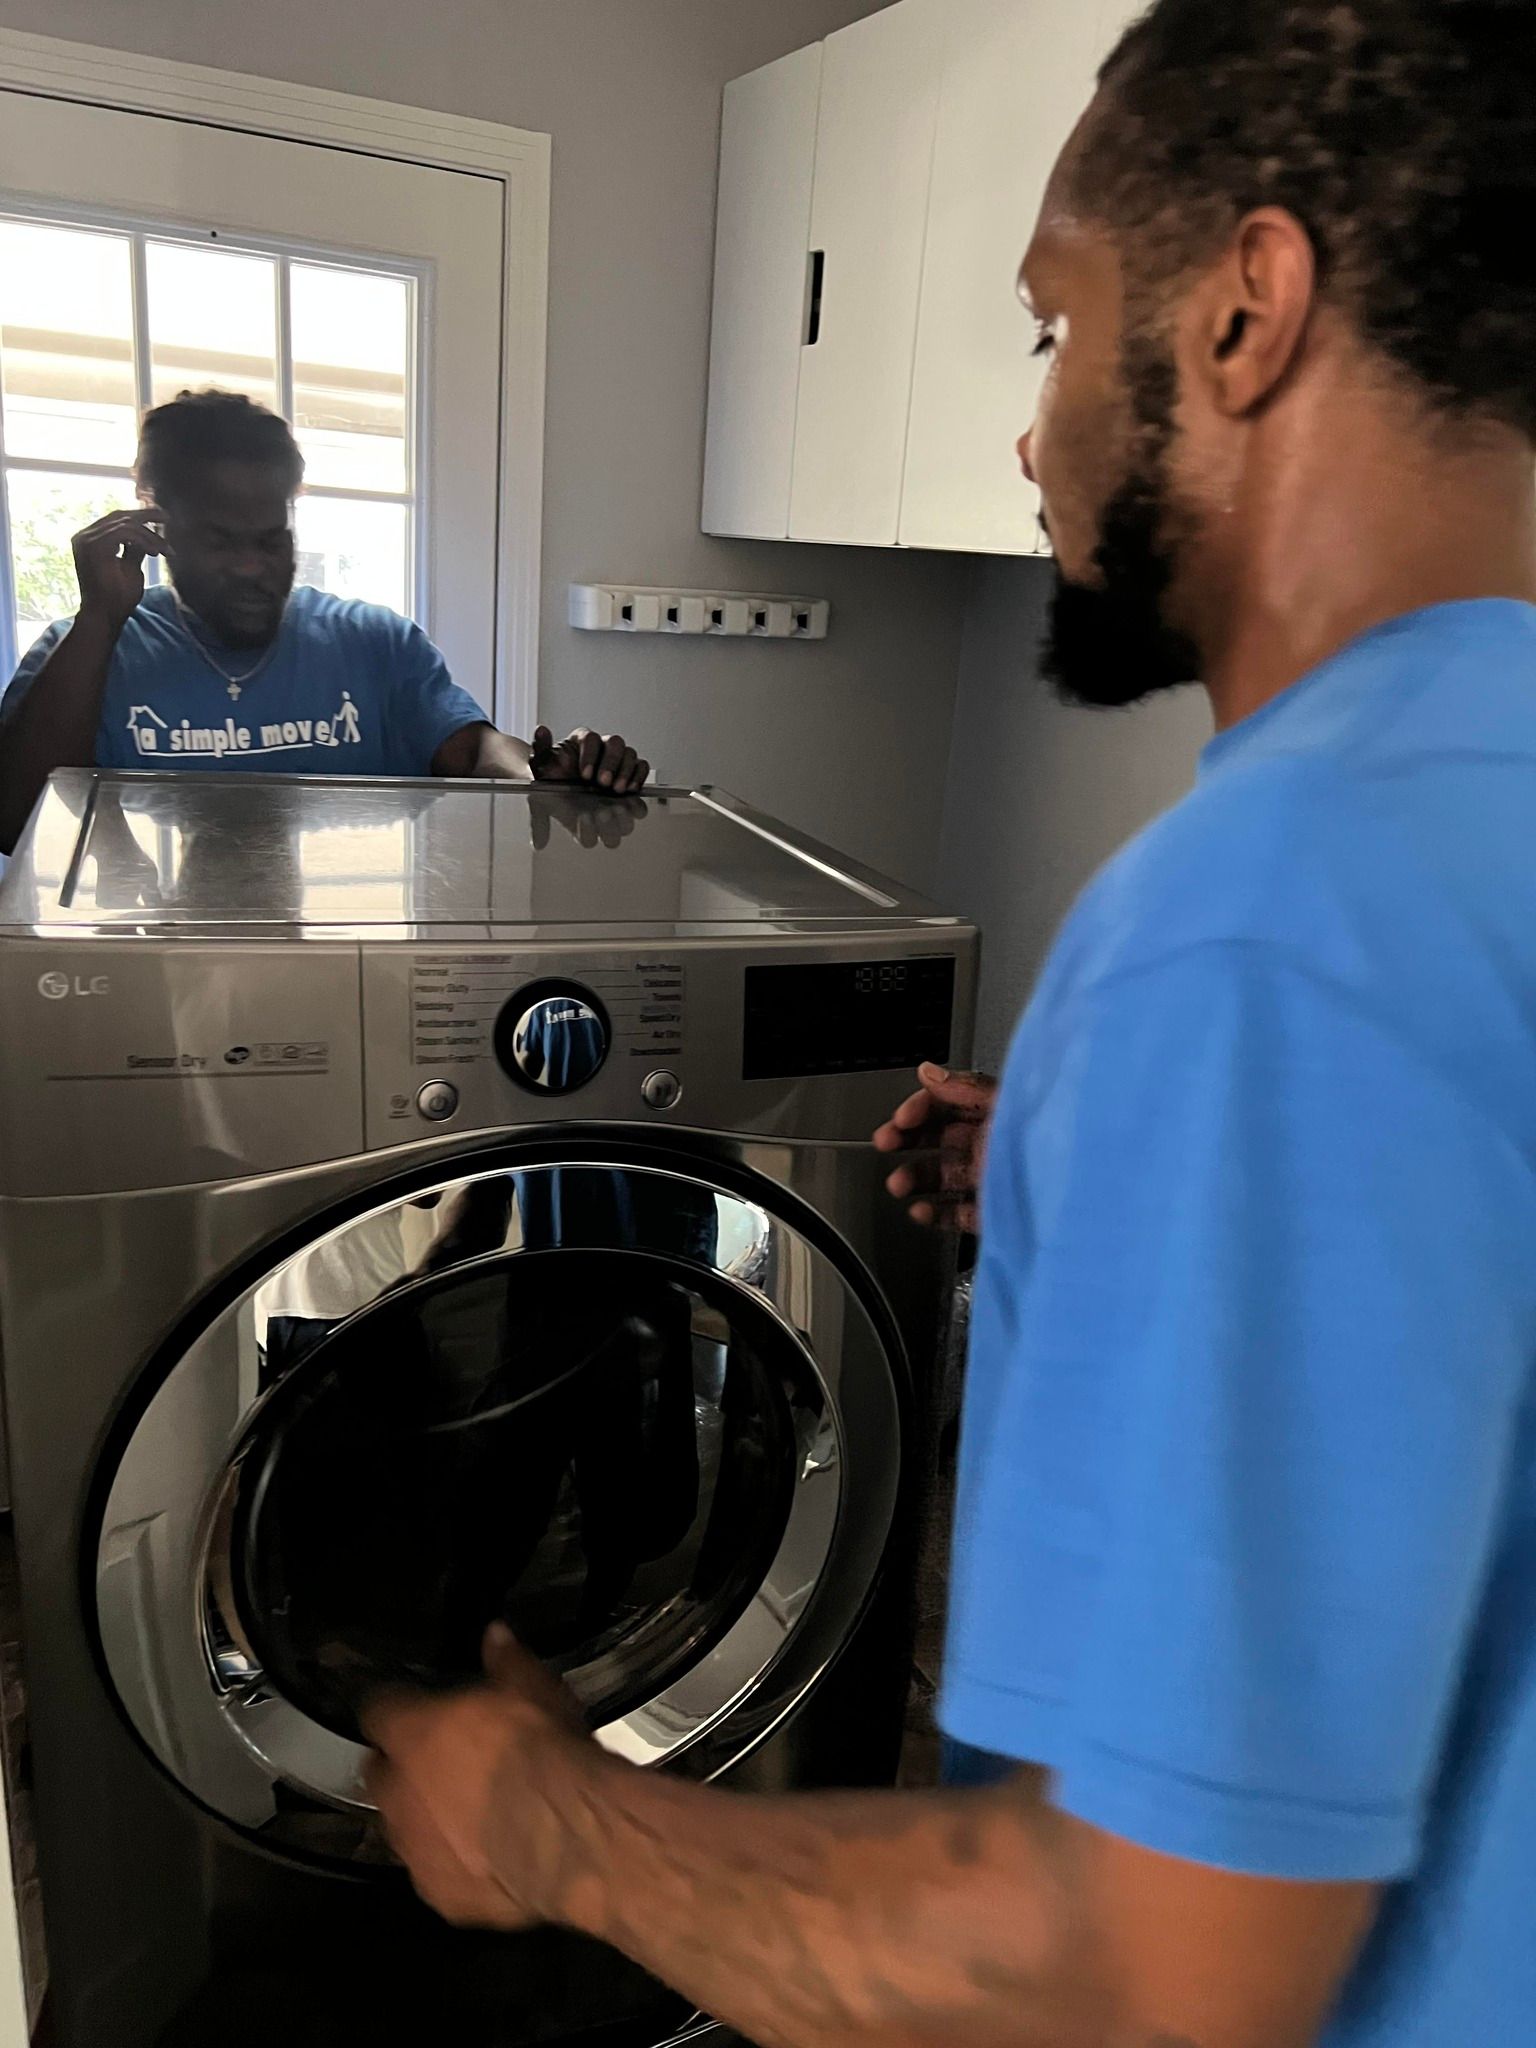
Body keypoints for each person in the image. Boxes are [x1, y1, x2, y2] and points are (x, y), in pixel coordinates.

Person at [366, 2, 1536, 2043]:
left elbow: (1138, 1971)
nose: (1030, 426)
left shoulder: (1261, 920)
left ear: (1246, 310)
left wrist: (546, 1816)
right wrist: (1102, 1155)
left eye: (1051, 330)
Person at [0, 389, 649, 854]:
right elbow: (14, 821)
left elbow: (473, 749)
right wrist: (98, 618)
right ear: (157, 525)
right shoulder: (87, 648)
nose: (254, 567)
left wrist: (540, 775)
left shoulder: (375, 642)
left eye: (272, 539)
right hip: (149, 979)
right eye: (223, 542)